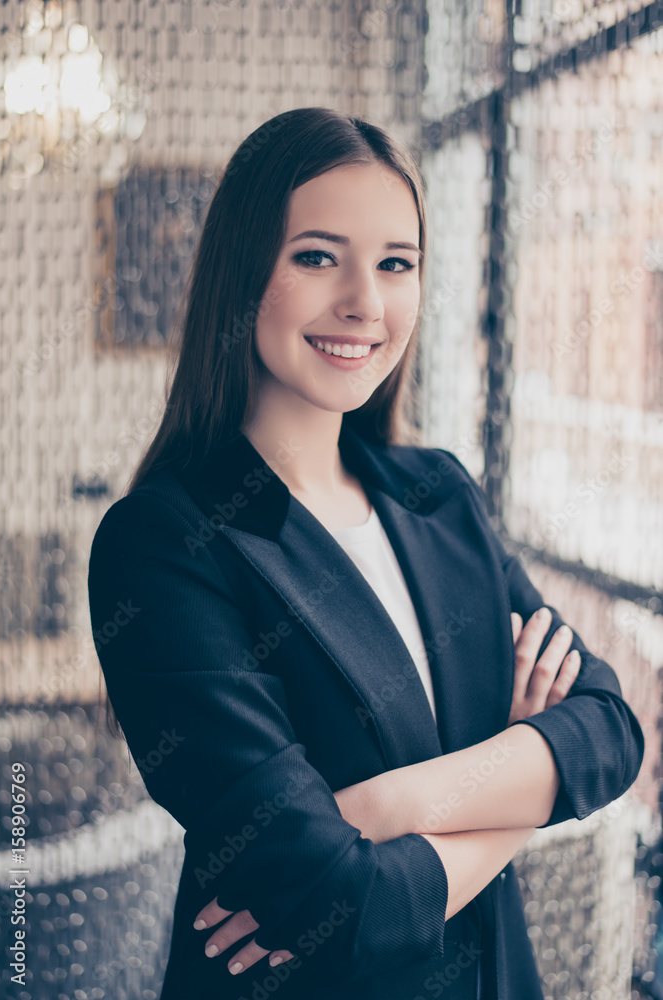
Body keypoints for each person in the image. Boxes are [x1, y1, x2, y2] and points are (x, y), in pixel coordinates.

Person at [87, 106, 645, 1000]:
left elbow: (611, 731)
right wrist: (516, 785)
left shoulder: (437, 496)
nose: (365, 302)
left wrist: (383, 810)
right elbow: (334, 904)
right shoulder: (162, 545)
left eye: (396, 264)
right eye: (317, 257)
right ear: (242, 274)